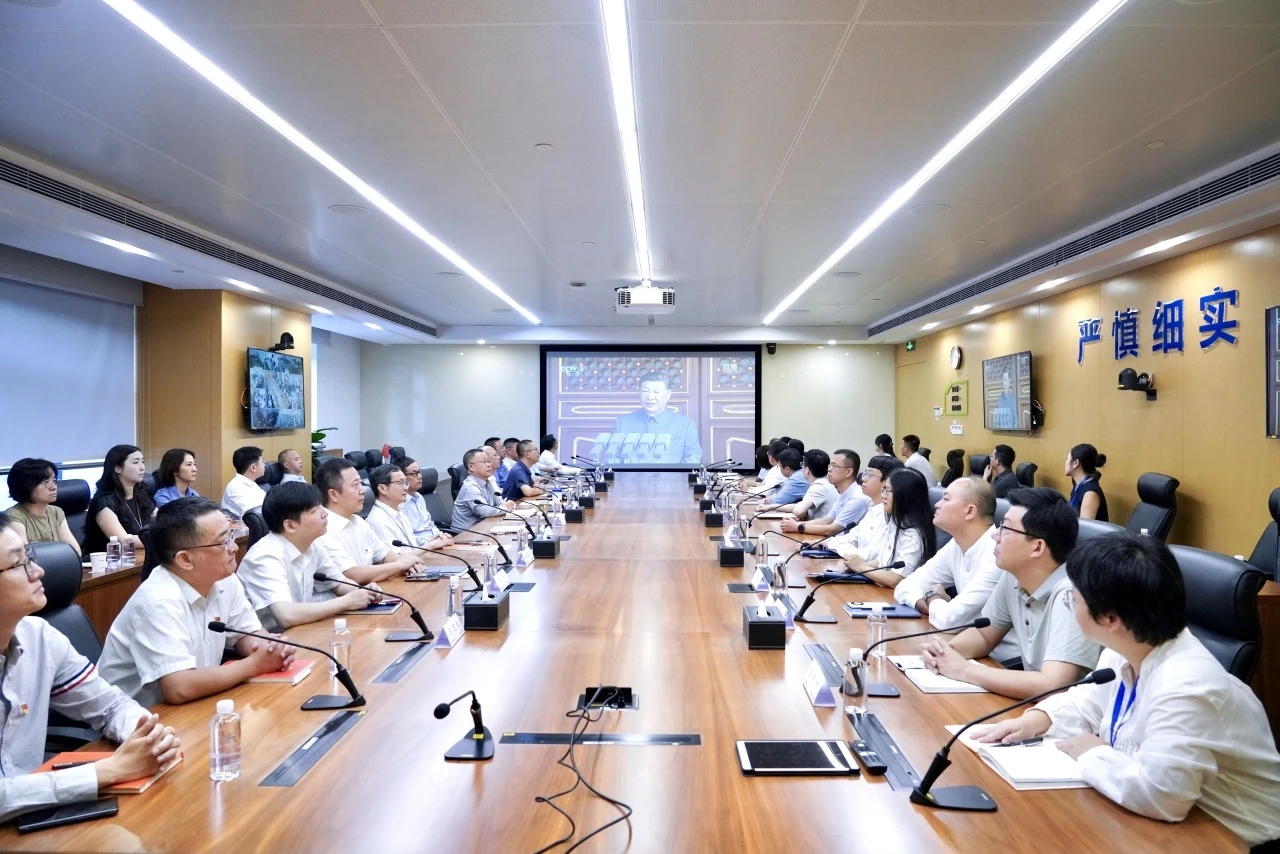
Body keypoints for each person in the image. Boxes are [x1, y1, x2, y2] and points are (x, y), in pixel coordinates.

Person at [973, 533, 1280, 848]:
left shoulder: (1186, 686)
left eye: (1073, 599)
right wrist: (1038, 719)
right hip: (1165, 823)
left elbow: (1161, 797)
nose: (1071, 606)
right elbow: (1088, 703)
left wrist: (1091, 752)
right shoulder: (1126, 649)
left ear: (1110, 618)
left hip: (1230, 838)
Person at [0, 512, 180, 822]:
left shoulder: (40, 637)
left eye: (30, 557)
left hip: (35, 815)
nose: (39, 571)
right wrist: (108, 771)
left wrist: (145, 735)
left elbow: (110, 706)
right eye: (19, 564)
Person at [98, 498, 293, 707]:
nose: (235, 547)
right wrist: (255, 664)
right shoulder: (159, 601)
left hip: (194, 704)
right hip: (135, 718)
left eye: (231, 536)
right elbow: (178, 687)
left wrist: (271, 649)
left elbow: (246, 634)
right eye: (223, 542)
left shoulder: (224, 578)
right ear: (185, 559)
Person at [919, 487, 1102, 699]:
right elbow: (984, 635)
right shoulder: (1013, 577)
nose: (995, 535)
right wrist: (944, 652)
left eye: (1005, 528)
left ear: (1037, 547)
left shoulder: (1073, 596)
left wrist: (965, 670)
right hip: (1036, 704)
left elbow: (1053, 685)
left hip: (1073, 712)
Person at [893, 478, 1016, 659]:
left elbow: (949, 620)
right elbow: (904, 586)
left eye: (946, 499)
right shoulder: (956, 545)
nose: (937, 504)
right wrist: (923, 600)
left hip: (1001, 661)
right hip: (966, 647)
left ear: (970, 511)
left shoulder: (996, 555)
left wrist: (932, 596)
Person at [236, 481, 379, 631]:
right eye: (314, 511)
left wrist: (363, 592)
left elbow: (338, 583)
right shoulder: (265, 556)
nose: (325, 513)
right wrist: (346, 602)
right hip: (269, 638)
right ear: (290, 525)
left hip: (301, 630)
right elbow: (286, 616)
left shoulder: (312, 543)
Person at [316, 459, 422, 583]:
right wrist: (400, 565)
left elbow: (383, 555)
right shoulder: (323, 529)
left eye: (361, 483)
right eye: (355, 485)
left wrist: (405, 561)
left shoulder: (359, 521)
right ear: (333, 495)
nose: (363, 490)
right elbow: (351, 575)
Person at [838, 468, 936, 589]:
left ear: (904, 495)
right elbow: (882, 561)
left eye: (887, 491)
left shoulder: (913, 535)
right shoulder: (896, 522)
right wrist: (855, 566)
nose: (883, 495)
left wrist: (861, 567)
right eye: (883, 489)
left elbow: (896, 579)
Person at [611, 371, 702, 464]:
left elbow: (692, 458)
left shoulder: (685, 425)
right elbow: (613, 458)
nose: (650, 397)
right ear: (639, 393)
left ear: (668, 394)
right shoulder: (623, 423)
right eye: (645, 391)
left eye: (656, 392)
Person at [84, 444, 156, 554]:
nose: (142, 467)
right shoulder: (104, 501)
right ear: (118, 468)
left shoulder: (142, 495)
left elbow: (162, 521)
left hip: (140, 556)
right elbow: (123, 540)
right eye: (135, 462)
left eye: (142, 462)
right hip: (109, 561)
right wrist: (161, 539)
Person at [781, 449, 870, 536]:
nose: (829, 469)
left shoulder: (857, 498)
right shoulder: (843, 494)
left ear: (848, 472)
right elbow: (826, 521)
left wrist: (797, 527)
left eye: (834, 466)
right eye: (830, 465)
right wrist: (796, 524)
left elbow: (832, 529)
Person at [826, 455, 904, 554]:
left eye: (870, 475)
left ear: (887, 481)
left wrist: (830, 544)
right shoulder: (872, 509)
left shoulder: (888, 516)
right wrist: (824, 542)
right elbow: (852, 538)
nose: (863, 479)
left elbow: (872, 554)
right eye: (865, 473)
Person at [4, 458, 80, 555]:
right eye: (46, 482)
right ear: (26, 485)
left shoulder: (56, 512)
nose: (53, 487)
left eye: (54, 481)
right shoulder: (13, 516)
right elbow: (24, 556)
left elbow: (75, 551)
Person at [393, 456, 452, 549]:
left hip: (433, 544)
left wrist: (441, 535)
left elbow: (430, 524)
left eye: (419, 472)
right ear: (402, 478)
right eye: (414, 473)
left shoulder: (419, 497)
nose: (420, 476)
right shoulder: (399, 503)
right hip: (421, 548)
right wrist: (432, 543)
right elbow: (409, 537)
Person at [452, 448, 516, 529]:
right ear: (471, 467)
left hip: (483, 526)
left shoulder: (488, 481)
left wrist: (507, 505)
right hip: (465, 532)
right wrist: (505, 508)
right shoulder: (470, 487)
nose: (489, 465)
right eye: (484, 462)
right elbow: (484, 511)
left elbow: (499, 502)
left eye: (489, 461)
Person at [771, 449, 838, 522]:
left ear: (807, 470)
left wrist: (803, 514)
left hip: (821, 528)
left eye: (802, 465)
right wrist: (771, 507)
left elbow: (799, 511)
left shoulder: (819, 486)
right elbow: (801, 506)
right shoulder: (824, 483)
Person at [1066, 443, 1109, 522]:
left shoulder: (1090, 493)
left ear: (1075, 463)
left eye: (1067, 459)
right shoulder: (1078, 485)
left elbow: (1085, 527)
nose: (1065, 462)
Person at [221, 446, 266, 518]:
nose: (264, 464)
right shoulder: (235, 488)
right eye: (262, 461)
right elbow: (256, 515)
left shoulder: (251, 483)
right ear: (253, 467)